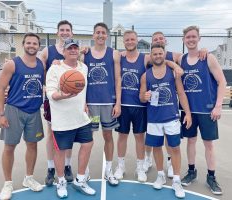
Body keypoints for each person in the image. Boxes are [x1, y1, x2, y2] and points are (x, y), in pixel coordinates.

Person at [143, 31, 208, 178]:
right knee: (152, 138)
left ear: (165, 42)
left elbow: (191, 56)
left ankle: (170, 162)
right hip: (151, 106)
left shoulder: (176, 55)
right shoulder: (148, 57)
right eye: (155, 39)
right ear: (152, 44)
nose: (158, 40)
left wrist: (203, 50)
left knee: (170, 139)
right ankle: (148, 159)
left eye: (160, 38)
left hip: (169, 109)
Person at [178, 26, 226, 195]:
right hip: (189, 111)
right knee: (190, 141)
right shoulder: (181, 60)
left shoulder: (208, 58)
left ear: (199, 39)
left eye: (193, 37)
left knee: (208, 145)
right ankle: (191, 172)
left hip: (207, 110)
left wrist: (218, 105)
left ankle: (211, 177)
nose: (190, 39)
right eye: (187, 37)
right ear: (183, 39)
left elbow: (222, 81)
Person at [140, 43, 192, 199]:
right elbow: (141, 97)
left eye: (160, 53)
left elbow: (181, 93)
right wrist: (145, 96)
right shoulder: (145, 75)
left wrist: (187, 113)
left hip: (171, 117)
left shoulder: (172, 73)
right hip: (154, 119)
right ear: (151, 56)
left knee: (174, 148)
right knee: (156, 148)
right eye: (154, 54)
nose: (157, 56)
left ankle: (176, 180)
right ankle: (161, 175)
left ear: (164, 54)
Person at [0, 33, 45, 200]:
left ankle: (28, 178)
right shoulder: (12, 64)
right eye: (29, 43)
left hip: (34, 112)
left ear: (39, 46)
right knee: (9, 147)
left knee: (32, 145)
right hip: (14, 110)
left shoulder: (41, 65)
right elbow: (0, 89)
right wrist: (0, 114)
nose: (32, 46)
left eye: (35, 43)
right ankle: (7, 183)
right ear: (23, 44)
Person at [46, 39, 96, 198]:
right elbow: (51, 93)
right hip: (62, 119)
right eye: (70, 48)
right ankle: (60, 181)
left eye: (75, 48)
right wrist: (62, 95)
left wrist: (86, 103)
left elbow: (84, 88)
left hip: (81, 117)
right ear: (63, 51)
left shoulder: (84, 67)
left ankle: (80, 179)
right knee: (60, 151)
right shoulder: (55, 68)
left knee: (88, 144)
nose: (73, 50)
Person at [82, 22, 121, 186]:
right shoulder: (85, 54)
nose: (100, 35)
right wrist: (83, 102)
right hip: (90, 104)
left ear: (107, 36)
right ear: (93, 35)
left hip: (107, 103)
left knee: (108, 136)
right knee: (88, 138)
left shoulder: (114, 54)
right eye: (97, 32)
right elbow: (81, 80)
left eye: (103, 33)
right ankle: (85, 171)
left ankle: (109, 170)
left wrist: (118, 103)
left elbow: (118, 79)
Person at [39, 20, 74, 185]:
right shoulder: (48, 51)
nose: (65, 32)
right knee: (51, 133)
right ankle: (51, 167)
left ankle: (67, 165)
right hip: (53, 99)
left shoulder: (75, 51)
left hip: (71, 99)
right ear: (57, 32)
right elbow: (37, 67)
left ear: (71, 33)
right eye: (62, 30)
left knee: (68, 133)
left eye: (67, 30)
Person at [113, 30, 148, 182]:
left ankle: (140, 168)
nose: (129, 42)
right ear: (123, 41)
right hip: (124, 105)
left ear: (137, 40)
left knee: (140, 137)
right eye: (127, 40)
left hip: (140, 106)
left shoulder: (145, 58)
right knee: (122, 136)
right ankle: (121, 166)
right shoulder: (119, 57)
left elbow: (163, 60)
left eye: (132, 39)